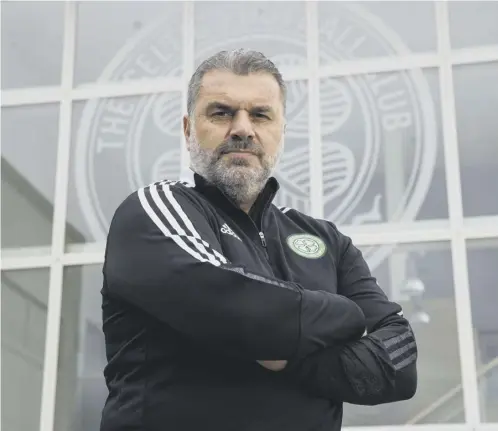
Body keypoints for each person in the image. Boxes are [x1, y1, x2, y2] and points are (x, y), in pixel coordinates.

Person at [100, 48, 418, 431]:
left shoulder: (327, 241)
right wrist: (348, 316)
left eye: (260, 115)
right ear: (188, 130)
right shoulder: (154, 211)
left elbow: (400, 365)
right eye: (221, 113)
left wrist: (284, 351)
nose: (242, 129)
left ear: (280, 132)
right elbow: (240, 310)